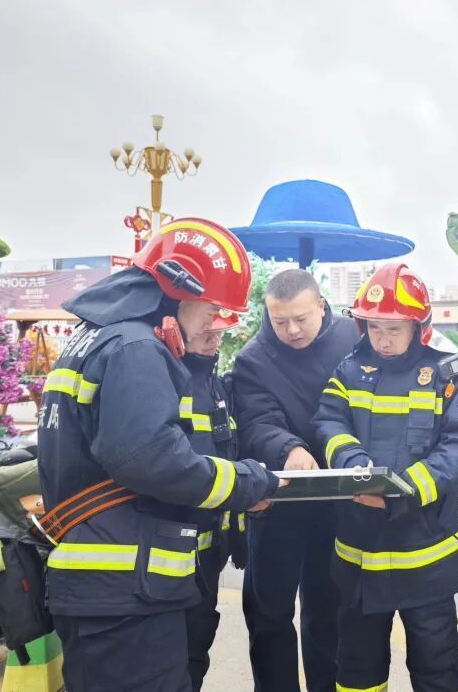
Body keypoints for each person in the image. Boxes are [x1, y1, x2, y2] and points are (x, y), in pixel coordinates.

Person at [37, 218, 279, 692]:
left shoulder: (97, 337)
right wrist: (250, 483)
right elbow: (151, 457)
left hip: (109, 587)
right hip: (125, 591)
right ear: (176, 288)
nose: (214, 321)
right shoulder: (135, 347)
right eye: (209, 307)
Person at [312, 263, 458, 692]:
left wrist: (397, 495)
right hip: (358, 552)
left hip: (426, 553)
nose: (382, 339)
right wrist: (354, 467)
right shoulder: (348, 371)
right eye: (373, 327)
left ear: (418, 327)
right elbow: (329, 423)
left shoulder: (451, 374)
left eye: (394, 328)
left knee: (436, 666)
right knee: (357, 669)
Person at [232, 269, 358, 692]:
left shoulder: (352, 339)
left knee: (329, 610)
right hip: (278, 502)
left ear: (322, 306)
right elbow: (256, 420)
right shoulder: (252, 359)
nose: (291, 330)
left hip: (337, 500)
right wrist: (289, 448)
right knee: (268, 614)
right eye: (279, 320)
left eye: (301, 318)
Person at [181, 312, 243, 691]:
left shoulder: (216, 387)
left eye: (218, 328)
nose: (214, 335)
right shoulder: (164, 380)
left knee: (195, 648)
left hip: (208, 553)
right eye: (205, 327)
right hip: (170, 554)